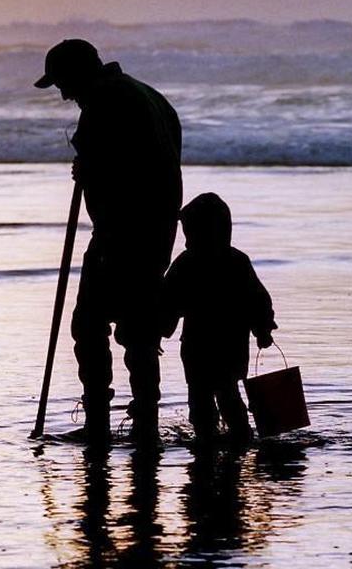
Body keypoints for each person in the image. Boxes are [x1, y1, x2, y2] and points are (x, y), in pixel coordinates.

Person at [35, 39, 182, 443]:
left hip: (122, 231)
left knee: (89, 324)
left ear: (79, 73)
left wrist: (89, 171)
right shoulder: (148, 95)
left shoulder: (103, 101)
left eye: (63, 84)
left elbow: (116, 170)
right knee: (139, 327)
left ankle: (100, 420)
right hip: (156, 230)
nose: (64, 95)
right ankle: (145, 421)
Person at [161, 193, 277, 442]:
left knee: (203, 397)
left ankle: (209, 440)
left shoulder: (187, 263)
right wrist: (263, 328)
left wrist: (159, 330)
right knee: (226, 394)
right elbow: (258, 300)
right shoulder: (237, 261)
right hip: (229, 347)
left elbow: (168, 302)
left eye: (191, 234)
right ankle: (239, 437)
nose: (187, 242)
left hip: (198, 348)